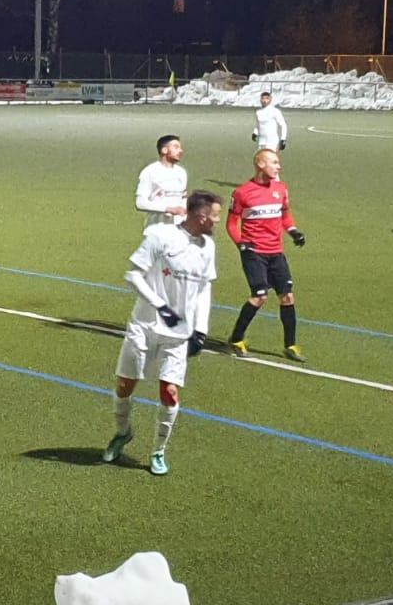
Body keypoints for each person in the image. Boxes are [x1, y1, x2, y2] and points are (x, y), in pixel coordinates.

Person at [102, 190, 221, 477]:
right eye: (216, 216)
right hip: (144, 326)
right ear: (201, 216)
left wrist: (201, 329)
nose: (218, 221)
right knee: (125, 386)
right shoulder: (160, 236)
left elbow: (204, 287)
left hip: (178, 335)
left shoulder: (207, 247)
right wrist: (160, 306)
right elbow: (133, 275)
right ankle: (123, 433)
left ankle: (158, 450)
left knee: (169, 391)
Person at [224, 149, 306, 361]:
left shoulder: (281, 189)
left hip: (276, 252)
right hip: (254, 253)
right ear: (261, 164)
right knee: (260, 296)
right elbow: (231, 224)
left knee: (287, 297)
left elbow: (285, 216)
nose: (279, 167)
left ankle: (290, 345)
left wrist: (294, 232)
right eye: (274, 162)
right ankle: (236, 339)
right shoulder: (242, 193)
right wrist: (241, 244)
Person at [136, 134, 188, 227]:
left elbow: (183, 197)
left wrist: (183, 209)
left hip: (178, 228)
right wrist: (168, 209)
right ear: (164, 150)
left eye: (180, 148)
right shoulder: (150, 171)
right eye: (176, 147)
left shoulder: (181, 172)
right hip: (156, 229)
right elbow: (140, 203)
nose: (180, 151)